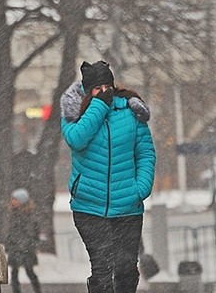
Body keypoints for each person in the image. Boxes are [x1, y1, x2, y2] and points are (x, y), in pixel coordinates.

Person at [60, 60, 156, 293]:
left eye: (107, 86)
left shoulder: (130, 112)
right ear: (86, 90)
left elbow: (145, 153)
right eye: (96, 88)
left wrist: (140, 188)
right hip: (89, 207)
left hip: (127, 206)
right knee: (102, 268)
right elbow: (76, 139)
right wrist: (99, 107)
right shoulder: (75, 113)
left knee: (126, 269)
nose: (103, 91)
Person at [6, 188, 42, 293]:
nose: (13, 202)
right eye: (12, 199)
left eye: (15, 199)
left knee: (29, 271)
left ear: (22, 201)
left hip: (26, 248)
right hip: (15, 247)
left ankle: (37, 290)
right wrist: (10, 244)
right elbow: (10, 231)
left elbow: (32, 233)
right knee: (14, 272)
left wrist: (27, 245)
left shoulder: (29, 216)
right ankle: (16, 291)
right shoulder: (13, 215)